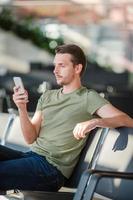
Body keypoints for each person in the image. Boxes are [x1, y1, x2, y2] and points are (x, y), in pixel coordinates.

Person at [0, 44, 133, 192]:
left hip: (50, 170)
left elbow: (126, 120)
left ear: (77, 68)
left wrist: (96, 121)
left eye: (61, 65)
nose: (55, 70)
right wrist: (22, 107)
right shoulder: (47, 96)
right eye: (55, 65)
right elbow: (30, 138)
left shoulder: (88, 97)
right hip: (32, 156)